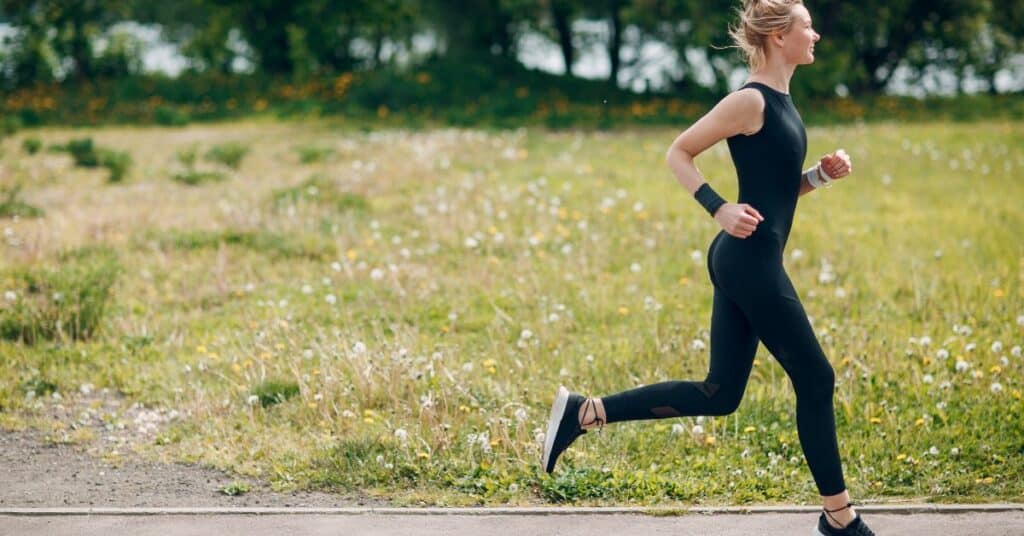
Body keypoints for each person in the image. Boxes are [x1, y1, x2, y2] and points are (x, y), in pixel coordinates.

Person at [541, 1, 875, 535]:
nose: (816, 35)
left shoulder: (783, 102)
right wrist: (717, 207)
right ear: (777, 37)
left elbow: (774, 193)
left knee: (721, 394)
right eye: (806, 26)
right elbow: (679, 152)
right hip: (747, 263)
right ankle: (841, 517)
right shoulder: (749, 101)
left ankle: (585, 413)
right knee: (816, 378)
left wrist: (819, 176)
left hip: (748, 258)